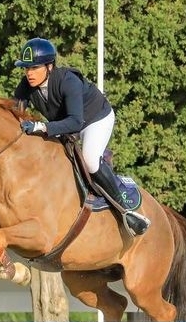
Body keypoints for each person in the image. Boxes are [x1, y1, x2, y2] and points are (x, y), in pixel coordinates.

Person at [13, 37, 150, 236]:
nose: (29, 73)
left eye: (35, 68)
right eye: (27, 69)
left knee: (90, 160)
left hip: (94, 119)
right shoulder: (27, 84)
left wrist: (41, 126)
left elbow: (76, 122)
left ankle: (125, 211)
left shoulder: (68, 81)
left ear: (49, 66)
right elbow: (15, 109)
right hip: (65, 123)